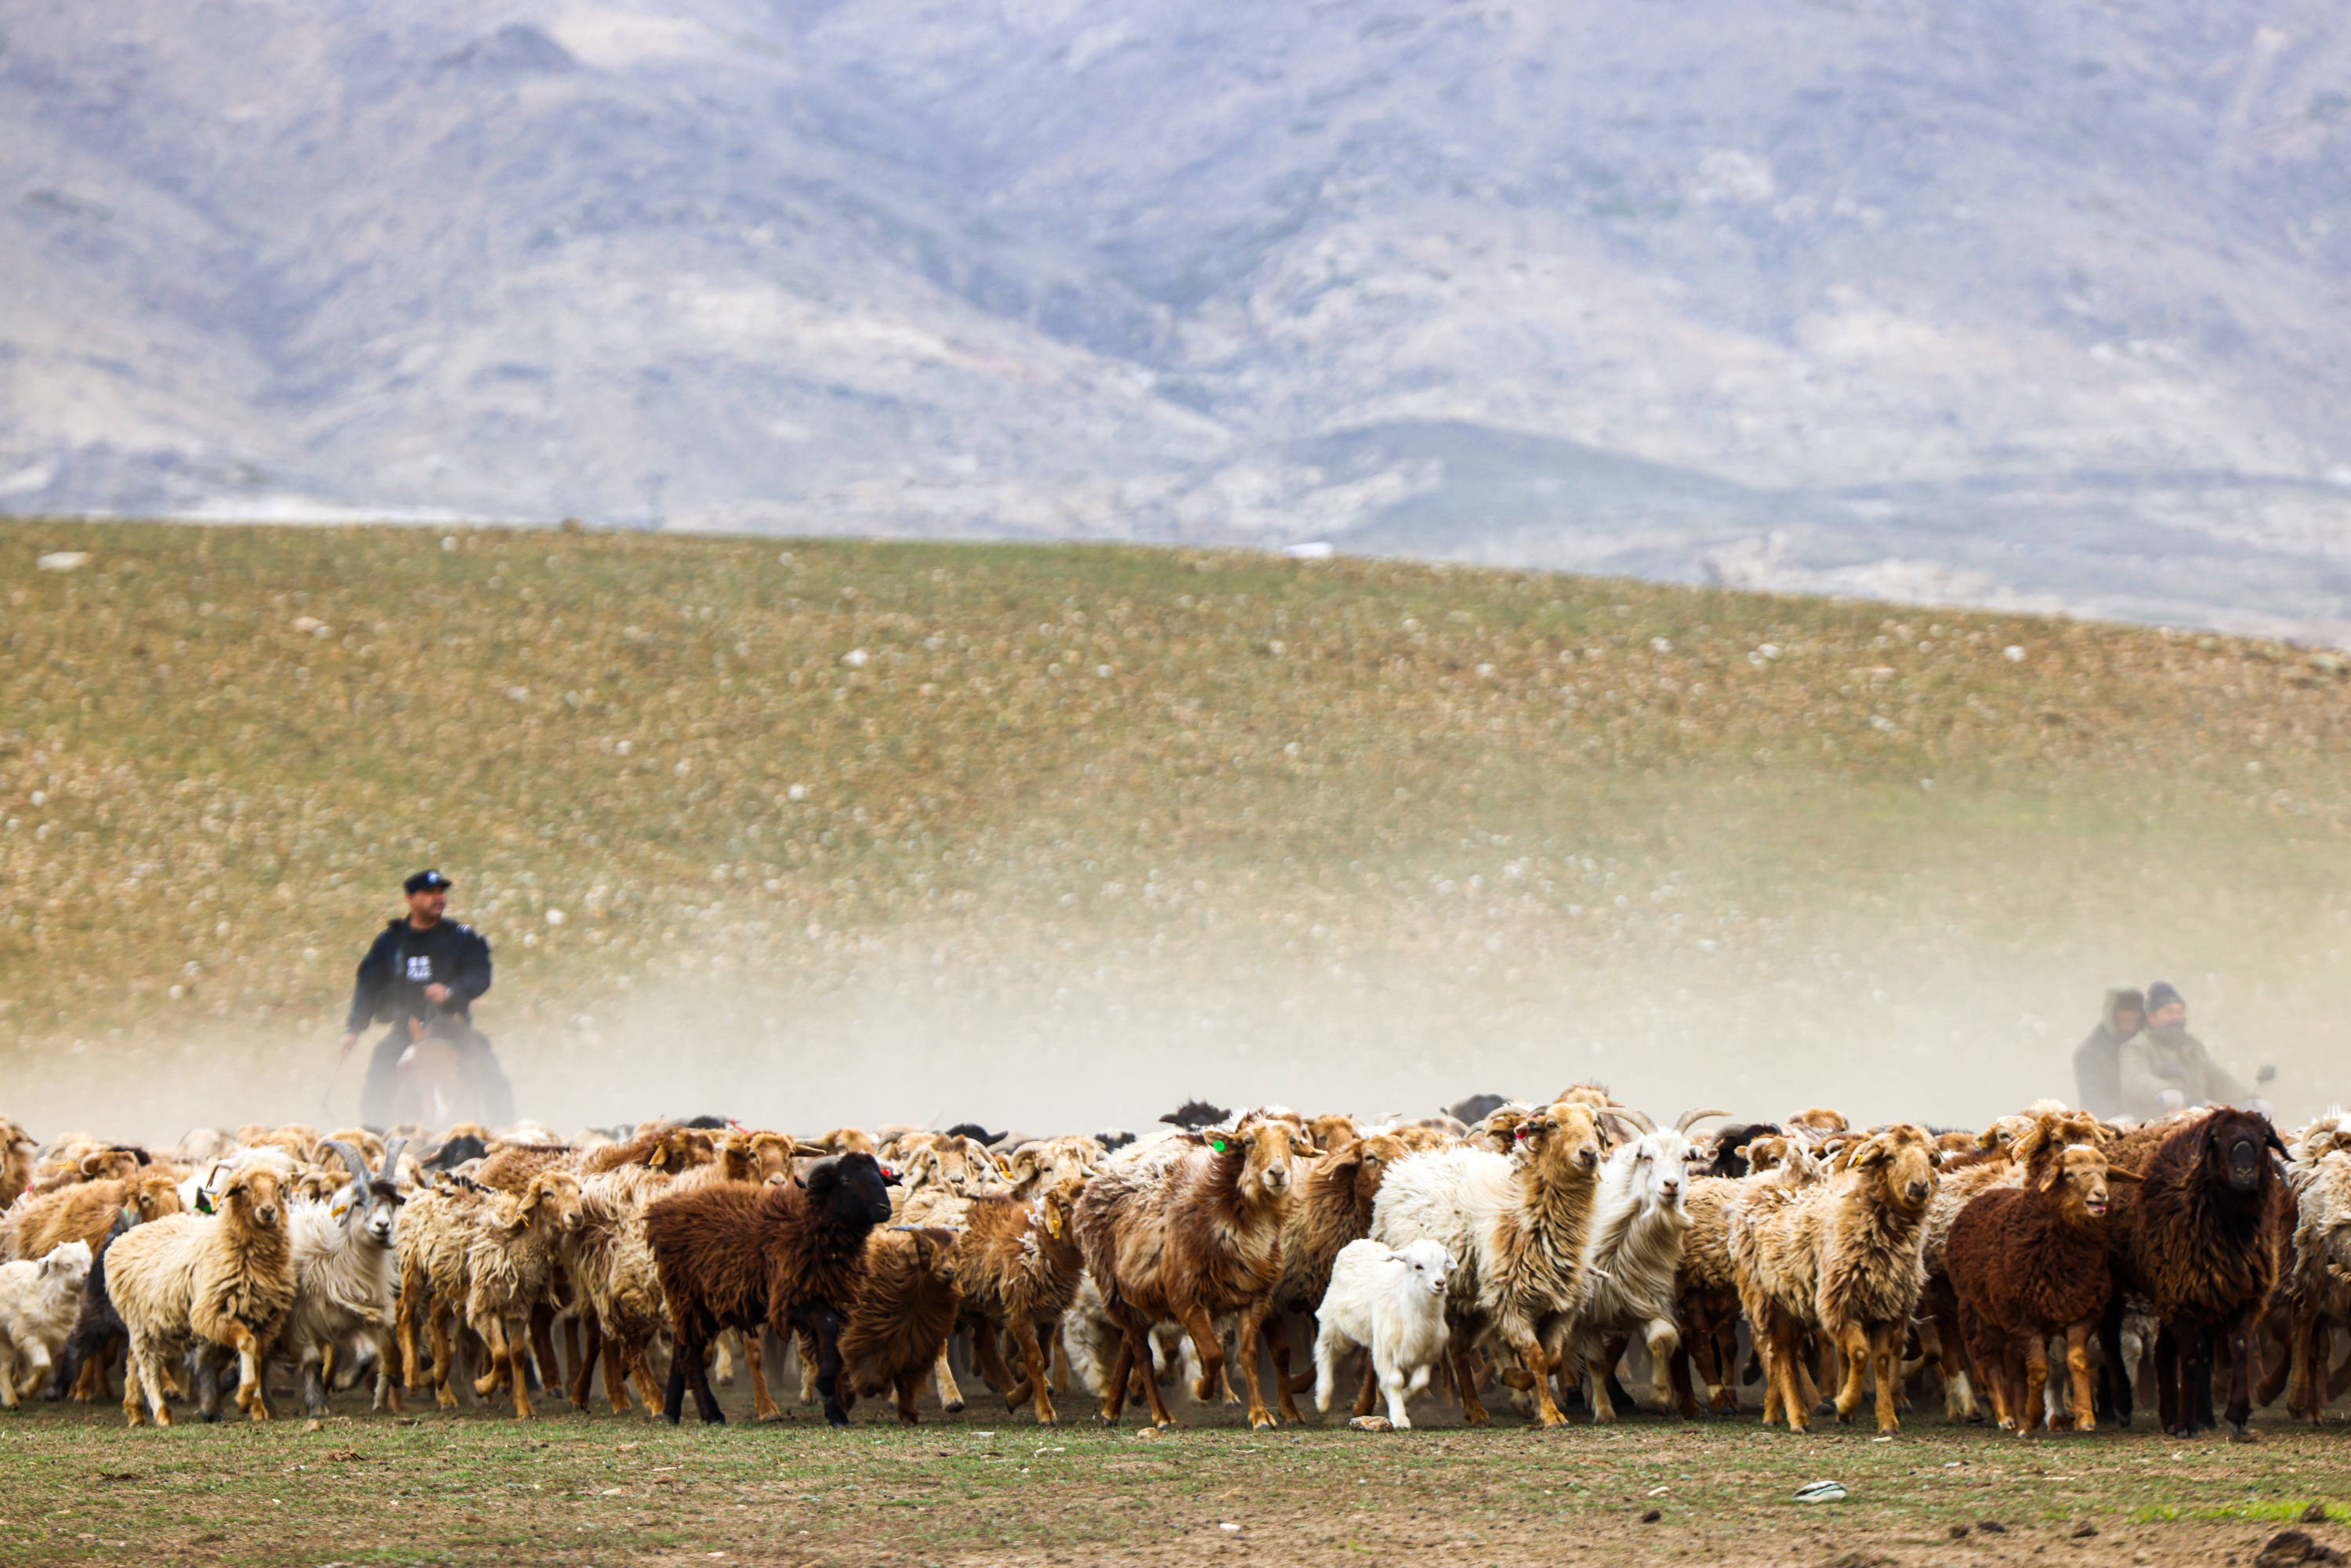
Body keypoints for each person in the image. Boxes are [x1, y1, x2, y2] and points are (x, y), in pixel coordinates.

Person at [339, 869, 514, 1128]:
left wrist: (452, 991)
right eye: (429, 893)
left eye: (441, 892)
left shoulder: (461, 937)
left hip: (452, 1026)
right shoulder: (391, 941)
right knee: (381, 1068)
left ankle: (504, 1133)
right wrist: (354, 1028)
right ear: (411, 899)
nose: (438, 898)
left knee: (488, 1068)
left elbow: (481, 974)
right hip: (406, 1028)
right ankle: (373, 1137)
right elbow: (368, 985)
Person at [2115, 980, 2248, 1120]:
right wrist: (2163, 1092)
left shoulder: (2193, 1047)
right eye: (2169, 1012)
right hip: (2151, 1125)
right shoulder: (2136, 1047)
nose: (2176, 1018)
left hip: (2195, 1122)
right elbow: (2135, 1078)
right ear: (2151, 1017)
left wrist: (2247, 1100)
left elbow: (2217, 1079)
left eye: (2180, 1012)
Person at [2070, 987, 2144, 1119]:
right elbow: (2093, 1098)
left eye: (2134, 1011)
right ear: (2112, 1014)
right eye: (2124, 1010)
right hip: (2111, 1124)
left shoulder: (2149, 1045)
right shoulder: (2090, 1052)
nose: (2130, 1016)